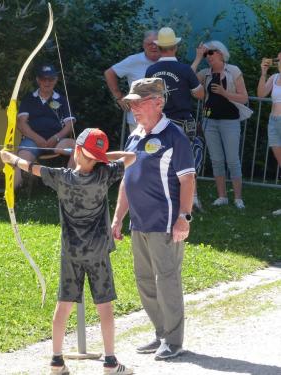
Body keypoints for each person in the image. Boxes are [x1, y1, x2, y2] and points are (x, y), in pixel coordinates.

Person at [0, 128, 134, 375]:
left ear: (78, 150)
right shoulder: (105, 173)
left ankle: (56, 361)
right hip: (98, 253)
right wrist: (101, 156)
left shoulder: (60, 177)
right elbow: (130, 156)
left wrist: (11, 159)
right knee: (104, 307)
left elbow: (30, 167)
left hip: (71, 253)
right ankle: (110, 362)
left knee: (63, 306)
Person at [112, 77, 195, 360]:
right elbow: (127, 179)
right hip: (138, 222)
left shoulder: (174, 136)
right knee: (145, 280)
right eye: (131, 102)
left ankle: (174, 340)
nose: (133, 107)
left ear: (158, 102)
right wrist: (117, 217)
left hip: (165, 222)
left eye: (139, 102)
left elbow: (188, 180)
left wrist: (184, 217)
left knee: (167, 281)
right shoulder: (135, 135)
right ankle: (161, 333)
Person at [145, 27, 205, 212]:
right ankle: (191, 200)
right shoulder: (185, 70)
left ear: (159, 47)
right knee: (186, 163)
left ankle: (160, 200)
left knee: (159, 163)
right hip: (181, 124)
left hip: (158, 124)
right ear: (175, 47)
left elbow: (146, 98)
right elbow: (200, 94)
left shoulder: (151, 70)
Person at [191, 40, 249, 209]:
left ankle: (238, 198)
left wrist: (224, 93)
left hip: (230, 121)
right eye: (206, 53)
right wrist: (197, 58)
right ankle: (222, 196)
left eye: (211, 52)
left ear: (221, 53)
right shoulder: (205, 73)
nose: (207, 56)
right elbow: (187, 78)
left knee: (233, 160)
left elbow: (244, 98)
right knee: (216, 160)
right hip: (210, 121)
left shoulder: (234, 71)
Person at [15, 64, 76, 188]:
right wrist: (37, 139)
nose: (47, 82)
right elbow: (21, 123)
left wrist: (56, 138)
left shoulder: (61, 99)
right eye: (43, 79)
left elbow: (69, 125)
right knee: (20, 160)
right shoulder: (29, 99)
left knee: (79, 149)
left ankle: (68, 185)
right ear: (38, 80)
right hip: (32, 141)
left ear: (56, 80)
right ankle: (12, 191)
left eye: (51, 79)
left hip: (58, 141)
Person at [104, 30, 160, 133]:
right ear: (143, 45)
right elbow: (109, 73)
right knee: (138, 149)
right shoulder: (134, 60)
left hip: (164, 118)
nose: (153, 46)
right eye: (150, 43)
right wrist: (119, 97)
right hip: (139, 120)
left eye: (156, 43)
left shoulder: (167, 61)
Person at [257, 52, 281, 215]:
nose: (278, 61)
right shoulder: (274, 78)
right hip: (273, 122)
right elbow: (260, 94)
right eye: (278, 59)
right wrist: (263, 74)